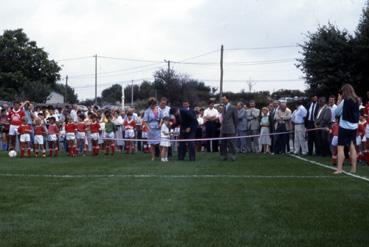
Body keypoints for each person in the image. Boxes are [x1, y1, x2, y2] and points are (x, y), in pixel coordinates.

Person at [334, 84, 360, 174]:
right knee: (352, 147)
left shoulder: (344, 101)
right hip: (354, 127)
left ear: (345, 91)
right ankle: (353, 169)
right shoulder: (357, 100)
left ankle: (339, 169)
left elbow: (336, 112)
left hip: (344, 126)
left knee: (340, 148)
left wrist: (339, 102)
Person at [220, 96, 238, 161]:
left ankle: (232, 156)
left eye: (224, 99)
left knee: (231, 143)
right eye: (222, 100)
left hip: (231, 128)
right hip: (223, 128)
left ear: (228, 100)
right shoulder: (223, 108)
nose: (223, 101)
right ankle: (224, 156)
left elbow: (236, 119)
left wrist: (235, 128)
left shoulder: (233, 107)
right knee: (223, 143)